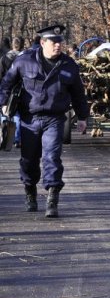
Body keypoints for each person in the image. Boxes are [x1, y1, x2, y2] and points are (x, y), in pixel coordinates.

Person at [0, 24, 89, 218]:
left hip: (55, 119)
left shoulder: (68, 65)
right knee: (29, 159)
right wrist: (4, 103)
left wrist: (82, 117)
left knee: (52, 157)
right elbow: (7, 83)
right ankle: (30, 191)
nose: (58, 46)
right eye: (54, 42)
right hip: (29, 119)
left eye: (60, 42)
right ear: (42, 43)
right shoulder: (24, 61)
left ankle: (52, 198)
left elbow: (78, 93)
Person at [0, 37, 25, 147]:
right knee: (17, 114)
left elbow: (0, 73)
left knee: (4, 112)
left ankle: (4, 137)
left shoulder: (4, 58)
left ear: (12, 45)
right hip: (20, 88)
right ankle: (16, 139)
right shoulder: (24, 58)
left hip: (6, 87)